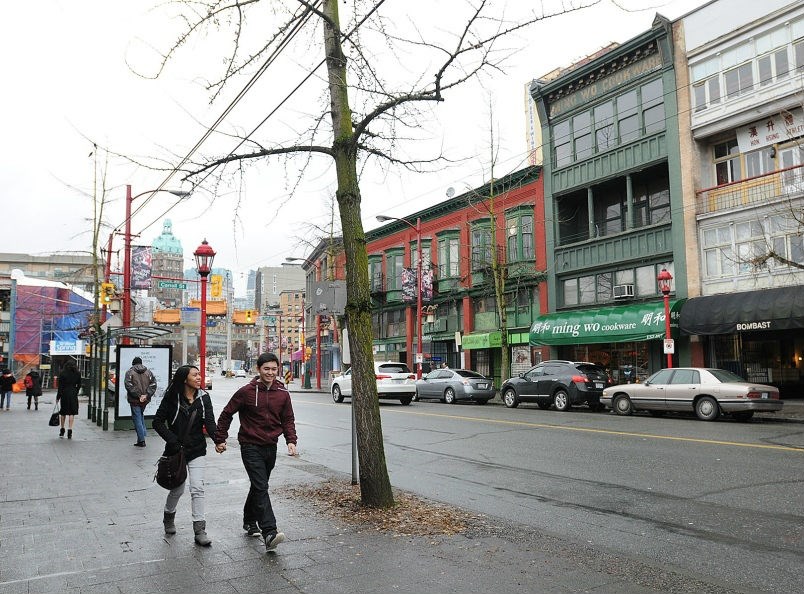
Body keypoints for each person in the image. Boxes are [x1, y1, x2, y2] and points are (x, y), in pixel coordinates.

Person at [214, 352, 297, 553]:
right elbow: (226, 414)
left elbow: (287, 419)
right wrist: (220, 439)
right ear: (258, 369)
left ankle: (249, 520)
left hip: (271, 446)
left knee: (259, 485)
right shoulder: (246, 392)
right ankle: (269, 532)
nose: (270, 372)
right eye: (266, 369)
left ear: (278, 370)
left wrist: (291, 441)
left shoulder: (283, 393)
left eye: (274, 369)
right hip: (250, 445)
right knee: (261, 486)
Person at [152, 365, 218, 546]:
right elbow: (157, 422)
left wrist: (218, 440)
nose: (199, 377)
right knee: (178, 489)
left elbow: (210, 423)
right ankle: (168, 516)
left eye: (199, 374)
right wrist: (172, 440)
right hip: (176, 450)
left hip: (197, 449)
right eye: (195, 375)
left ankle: (200, 529)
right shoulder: (172, 397)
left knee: (197, 488)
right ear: (184, 379)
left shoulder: (204, 398)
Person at [124, 356, 157, 447]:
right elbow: (153, 384)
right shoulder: (149, 372)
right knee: (140, 415)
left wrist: (138, 395)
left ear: (133, 363)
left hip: (134, 400)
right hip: (145, 400)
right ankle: (142, 436)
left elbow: (128, 385)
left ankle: (141, 440)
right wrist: (146, 395)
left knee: (137, 418)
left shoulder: (130, 372)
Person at [56, 361, 82, 438]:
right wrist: (75, 391)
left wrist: (58, 397)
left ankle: (62, 429)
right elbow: (79, 384)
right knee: (71, 412)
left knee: (63, 412)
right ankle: (70, 430)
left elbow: (60, 387)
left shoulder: (62, 373)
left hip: (64, 393)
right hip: (73, 393)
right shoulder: (77, 373)